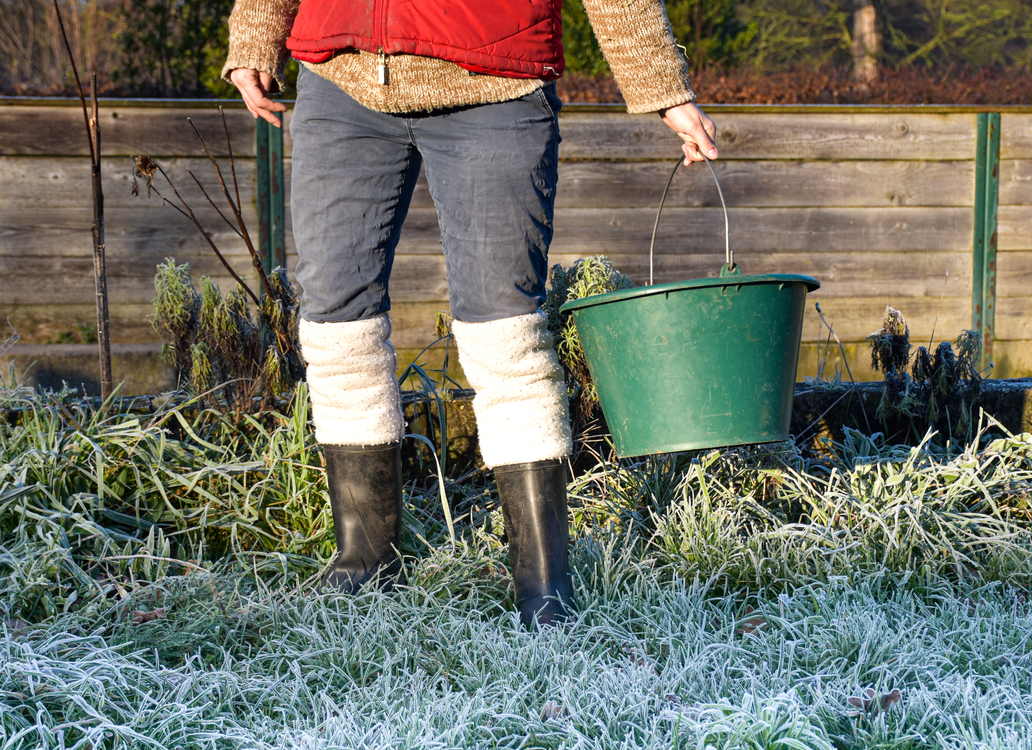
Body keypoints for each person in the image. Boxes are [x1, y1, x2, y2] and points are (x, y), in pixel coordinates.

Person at [224, 0, 719, 627]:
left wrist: (662, 87)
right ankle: (365, 559)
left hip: (495, 84)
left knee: (506, 330)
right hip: (339, 82)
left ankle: (544, 582)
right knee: (335, 325)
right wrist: (254, 36)